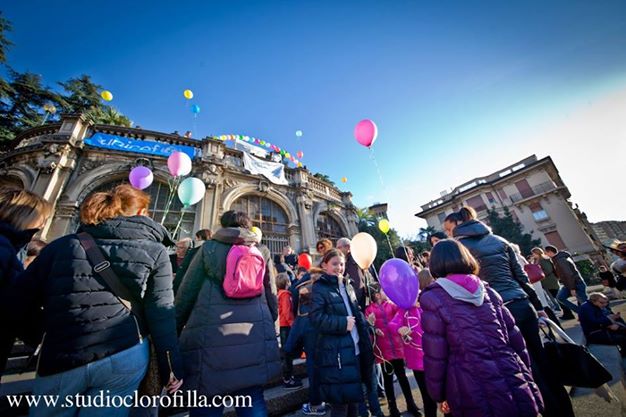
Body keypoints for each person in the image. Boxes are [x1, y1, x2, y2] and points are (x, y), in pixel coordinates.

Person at [9, 184, 183, 416]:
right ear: (142, 213)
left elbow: (17, 301)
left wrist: (42, 334)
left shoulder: (61, 246)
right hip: (124, 352)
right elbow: (161, 313)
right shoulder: (156, 251)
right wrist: (170, 366)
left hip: (62, 352)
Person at [444, 206, 573, 417]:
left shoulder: (459, 248)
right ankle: (563, 411)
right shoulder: (500, 241)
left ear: (458, 225)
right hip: (523, 305)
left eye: (449, 229)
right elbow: (522, 279)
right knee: (541, 361)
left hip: (495, 312)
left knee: (518, 368)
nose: (447, 234)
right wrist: (539, 308)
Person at [420, 239, 543, 417]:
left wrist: (438, 394)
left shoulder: (433, 298)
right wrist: (524, 371)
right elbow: (515, 339)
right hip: (510, 373)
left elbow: (436, 355)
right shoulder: (489, 292)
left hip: (468, 383)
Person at [176, 210, 280, 417]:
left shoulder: (208, 248)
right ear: (248, 227)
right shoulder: (261, 250)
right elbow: (270, 291)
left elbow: (187, 291)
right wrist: (271, 318)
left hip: (210, 336)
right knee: (252, 397)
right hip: (253, 333)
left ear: (223, 225)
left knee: (207, 399)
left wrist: (176, 326)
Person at [310, 249, 374, 417]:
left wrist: (365, 325)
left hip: (355, 350)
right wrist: (342, 323)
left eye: (342, 264)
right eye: (335, 264)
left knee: (353, 402)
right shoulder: (319, 287)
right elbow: (316, 318)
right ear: (325, 265)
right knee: (340, 405)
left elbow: (355, 313)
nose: (339, 267)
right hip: (336, 353)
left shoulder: (348, 285)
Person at [0, 187, 52, 377]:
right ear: (24, 216)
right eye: (41, 219)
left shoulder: (11, 247)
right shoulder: (5, 249)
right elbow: (12, 306)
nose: (41, 225)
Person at [365, 285, 420, 417]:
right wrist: (372, 327)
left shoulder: (392, 305)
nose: (386, 292)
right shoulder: (369, 310)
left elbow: (401, 315)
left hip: (397, 347)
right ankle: (392, 408)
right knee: (388, 380)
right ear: (377, 295)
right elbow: (368, 328)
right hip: (384, 350)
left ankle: (410, 403)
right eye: (383, 291)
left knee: (403, 377)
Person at [389, 281, 437, 417]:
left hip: (434, 358)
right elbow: (392, 325)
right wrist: (400, 329)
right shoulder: (404, 310)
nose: (415, 297)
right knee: (427, 397)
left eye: (417, 293)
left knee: (443, 394)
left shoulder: (428, 306)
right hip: (417, 363)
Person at [284, 264, 327, 416]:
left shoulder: (303, 315)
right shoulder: (329, 306)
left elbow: (289, 348)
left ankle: (316, 405)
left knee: (314, 370)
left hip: (312, 351)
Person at [531, 247, 574, 319]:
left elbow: (548, 270)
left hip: (550, 281)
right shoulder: (537, 260)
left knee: (559, 297)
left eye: (533, 253)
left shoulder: (543, 260)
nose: (532, 255)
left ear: (537, 253)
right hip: (546, 282)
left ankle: (568, 313)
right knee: (557, 298)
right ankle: (567, 313)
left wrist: (540, 274)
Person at [544, 245, 588, 315]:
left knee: (586, 304)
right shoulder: (557, 259)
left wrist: (572, 288)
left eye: (545, 252)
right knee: (560, 297)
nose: (545, 254)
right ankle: (581, 312)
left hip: (576, 283)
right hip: (569, 284)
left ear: (550, 252)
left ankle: (603, 315)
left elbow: (569, 274)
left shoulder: (560, 260)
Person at [277, 272, 302, 389]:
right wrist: (294, 325)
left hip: (282, 325)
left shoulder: (279, 294)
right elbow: (287, 312)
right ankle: (288, 378)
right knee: (288, 353)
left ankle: (288, 377)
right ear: (287, 282)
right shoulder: (286, 295)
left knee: (287, 352)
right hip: (287, 326)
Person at [337, 237, 369, 311]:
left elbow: (361, 279)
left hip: (360, 297)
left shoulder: (356, 259)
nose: (337, 250)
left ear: (348, 247)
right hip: (352, 297)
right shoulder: (343, 261)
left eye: (339, 247)